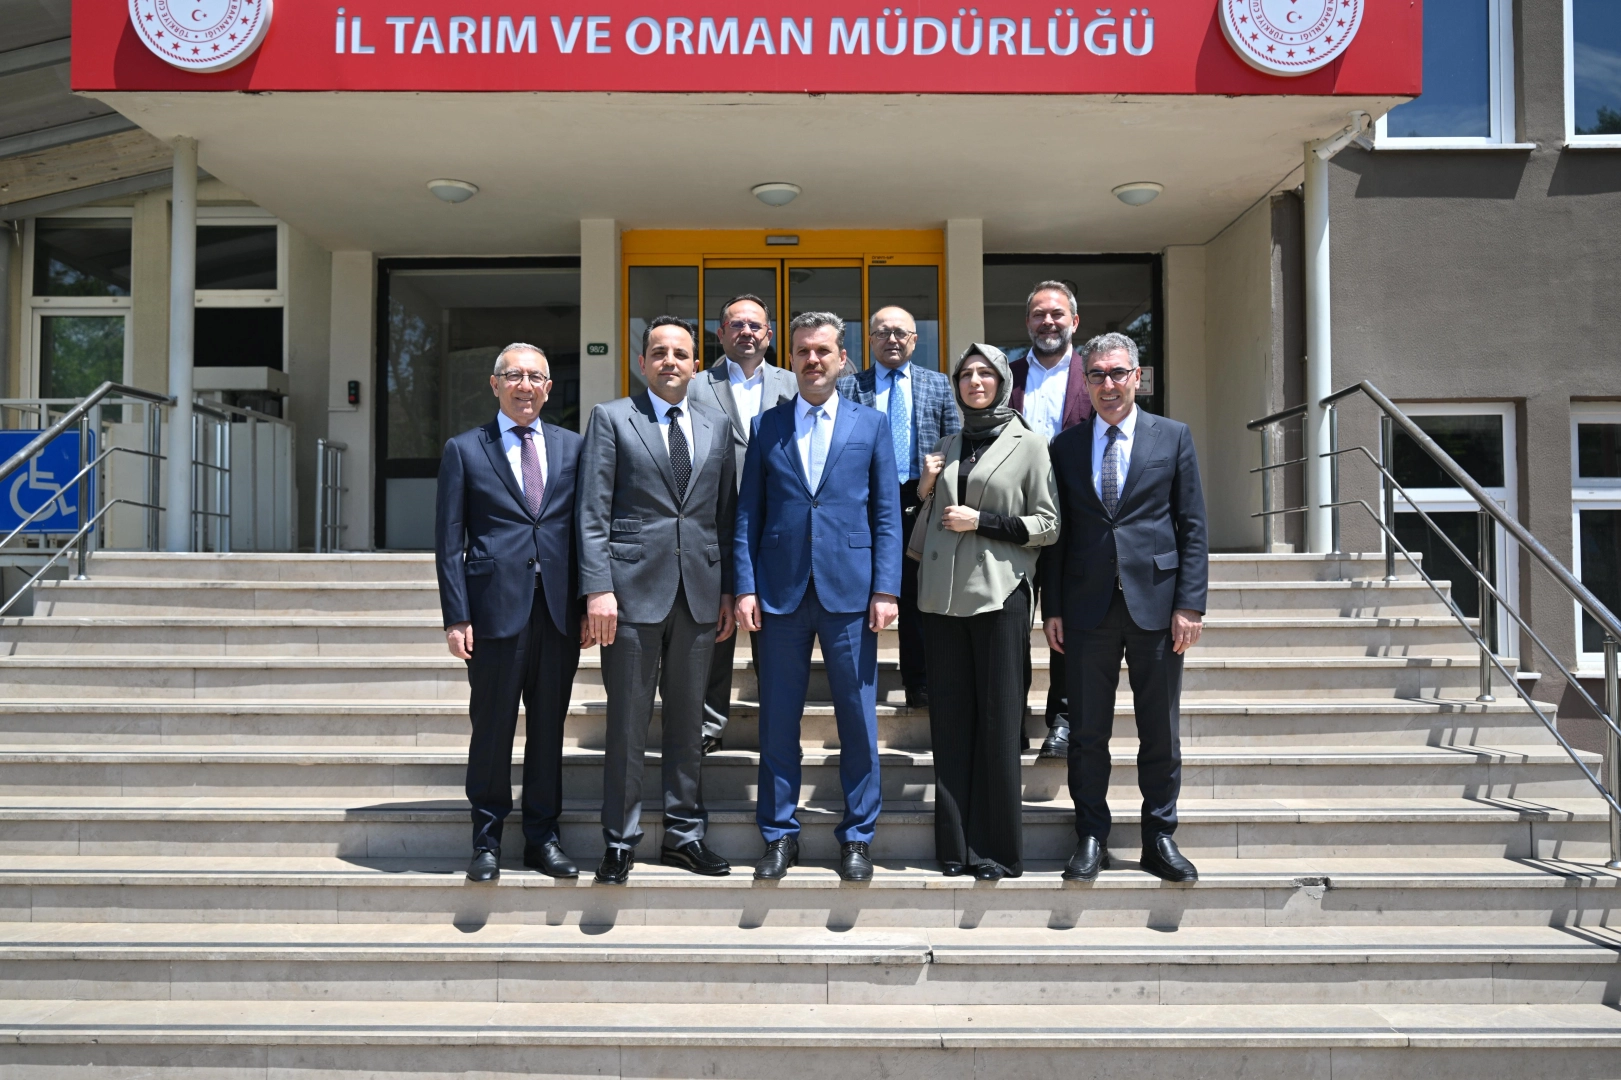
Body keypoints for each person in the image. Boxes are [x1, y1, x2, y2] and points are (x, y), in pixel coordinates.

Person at [734, 311, 902, 883]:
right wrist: (745, 586)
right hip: (779, 593)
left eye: (823, 351)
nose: (812, 360)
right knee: (778, 722)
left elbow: (886, 514)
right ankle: (779, 834)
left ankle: (857, 836)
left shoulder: (871, 424)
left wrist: (886, 588)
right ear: (791, 357)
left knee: (857, 721)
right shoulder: (767, 425)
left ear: (842, 358)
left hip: (851, 593)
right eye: (803, 351)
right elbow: (748, 514)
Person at [1041, 331, 1208, 883]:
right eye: (1097, 375)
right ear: (1085, 382)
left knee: (1159, 730)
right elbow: (1058, 534)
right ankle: (1091, 835)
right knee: (1088, 733)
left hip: (1157, 608)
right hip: (1086, 609)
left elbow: (1192, 526)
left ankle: (1159, 836)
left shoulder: (1173, 436)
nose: (1107, 384)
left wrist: (1190, 604)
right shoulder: (1065, 446)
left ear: (1137, 377)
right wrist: (1052, 606)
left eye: (1117, 373)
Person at [577, 316, 737, 885]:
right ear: (642, 362)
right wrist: (597, 589)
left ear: (696, 365)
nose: (671, 361)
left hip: (699, 594)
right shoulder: (611, 418)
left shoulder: (717, 425)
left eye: (682, 353)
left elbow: (724, 515)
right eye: (659, 352)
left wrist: (727, 589)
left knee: (689, 723)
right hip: (628, 595)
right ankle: (619, 840)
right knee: (627, 724)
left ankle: (684, 835)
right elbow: (592, 513)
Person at [435, 343, 588, 884]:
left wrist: (589, 602)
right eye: (514, 375)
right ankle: (487, 841)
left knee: (548, 730)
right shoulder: (464, 449)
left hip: (557, 612)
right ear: (495, 384)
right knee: (493, 729)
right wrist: (456, 615)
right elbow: (449, 540)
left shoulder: (574, 447)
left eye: (535, 377)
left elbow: (585, 531)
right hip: (493, 611)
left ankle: (543, 838)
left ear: (549, 388)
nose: (525, 385)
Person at [913, 344, 1058, 880]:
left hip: (1000, 595)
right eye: (966, 374)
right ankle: (954, 847)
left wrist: (983, 521)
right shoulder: (947, 444)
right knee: (950, 724)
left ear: (1002, 382)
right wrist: (925, 488)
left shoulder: (1030, 444)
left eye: (985, 373)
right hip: (941, 598)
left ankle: (996, 850)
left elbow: (1048, 525)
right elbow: (929, 520)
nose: (975, 381)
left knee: (998, 722)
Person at [687, 294, 798, 754]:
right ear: (721, 334)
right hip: (711, 520)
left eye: (755, 325)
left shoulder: (794, 382)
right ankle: (708, 724)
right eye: (736, 324)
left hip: (774, 524)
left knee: (772, 631)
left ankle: (777, 723)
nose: (746, 332)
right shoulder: (695, 385)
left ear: (769, 334)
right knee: (714, 627)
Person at [837, 305, 960, 709]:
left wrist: (936, 488)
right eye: (882, 332)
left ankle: (919, 682)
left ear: (914, 340)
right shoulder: (850, 387)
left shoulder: (938, 384)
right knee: (863, 590)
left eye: (900, 332)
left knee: (914, 594)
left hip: (920, 499)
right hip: (865, 502)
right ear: (870, 339)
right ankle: (857, 683)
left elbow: (953, 445)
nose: (892, 339)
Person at [1014, 281, 1094, 760]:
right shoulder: (1006, 376)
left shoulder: (1095, 375)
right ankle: (1010, 719)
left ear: (1074, 321)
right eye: (1039, 314)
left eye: (1057, 314)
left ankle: (1062, 721)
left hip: (1075, 520)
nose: (1048, 321)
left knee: (1069, 624)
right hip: (1014, 521)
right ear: (1027, 322)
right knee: (1010, 626)